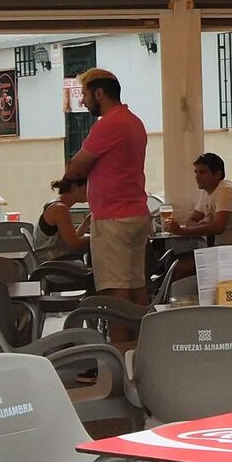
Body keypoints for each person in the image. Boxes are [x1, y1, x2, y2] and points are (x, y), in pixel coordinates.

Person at [61, 68, 150, 326]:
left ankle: (120, 348)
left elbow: (75, 168)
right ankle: (142, 341)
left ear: (99, 93)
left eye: (85, 94)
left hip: (113, 219)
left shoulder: (108, 125)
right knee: (136, 285)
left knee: (115, 291)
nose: (82, 101)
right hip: (136, 213)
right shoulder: (134, 122)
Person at [166, 153, 232, 245]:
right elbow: (191, 220)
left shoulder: (226, 190)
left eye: (202, 172)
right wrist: (205, 226)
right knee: (182, 254)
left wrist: (182, 231)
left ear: (217, 174)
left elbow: (217, 228)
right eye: (196, 172)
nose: (197, 177)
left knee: (182, 255)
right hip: (227, 248)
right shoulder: (207, 191)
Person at [37, 177, 90, 263]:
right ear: (74, 187)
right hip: (55, 263)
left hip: (55, 258)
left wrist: (87, 222)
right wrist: (96, 237)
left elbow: (72, 238)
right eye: (87, 186)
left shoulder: (57, 205)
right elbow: (74, 244)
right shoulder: (59, 209)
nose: (90, 190)